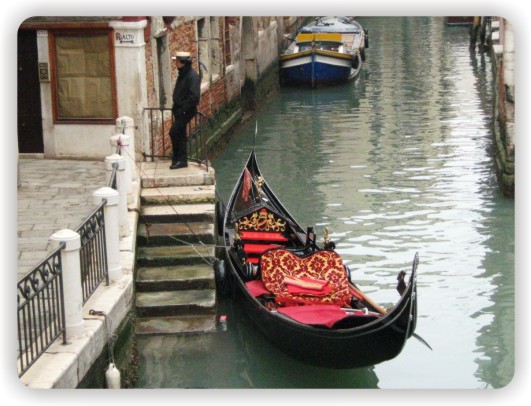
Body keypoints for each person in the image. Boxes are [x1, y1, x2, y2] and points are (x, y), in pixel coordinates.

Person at [168, 51, 200, 169]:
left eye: (177, 61)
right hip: (180, 110)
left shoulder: (192, 76)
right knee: (180, 134)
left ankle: (180, 159)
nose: (175, 63)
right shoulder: (183, 74)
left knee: (174, 132)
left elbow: (194, 97)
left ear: (183, 62)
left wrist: (183, 109)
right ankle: (179, 160)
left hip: (186, 111)